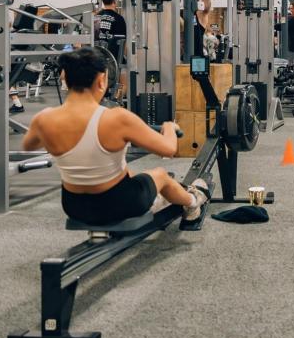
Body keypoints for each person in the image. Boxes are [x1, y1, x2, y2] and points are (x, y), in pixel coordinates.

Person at [22, 47, 208, 225]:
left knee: (126, 172)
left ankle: (159, 197)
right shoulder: (116, 118)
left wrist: (57, 137)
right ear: (101, 80)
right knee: (160, 174)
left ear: (64, 78)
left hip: (74, 207)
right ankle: (193, 202)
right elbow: (168, 149)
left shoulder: (44, 119)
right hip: (120, 205)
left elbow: (29, 146)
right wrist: (169, 128)